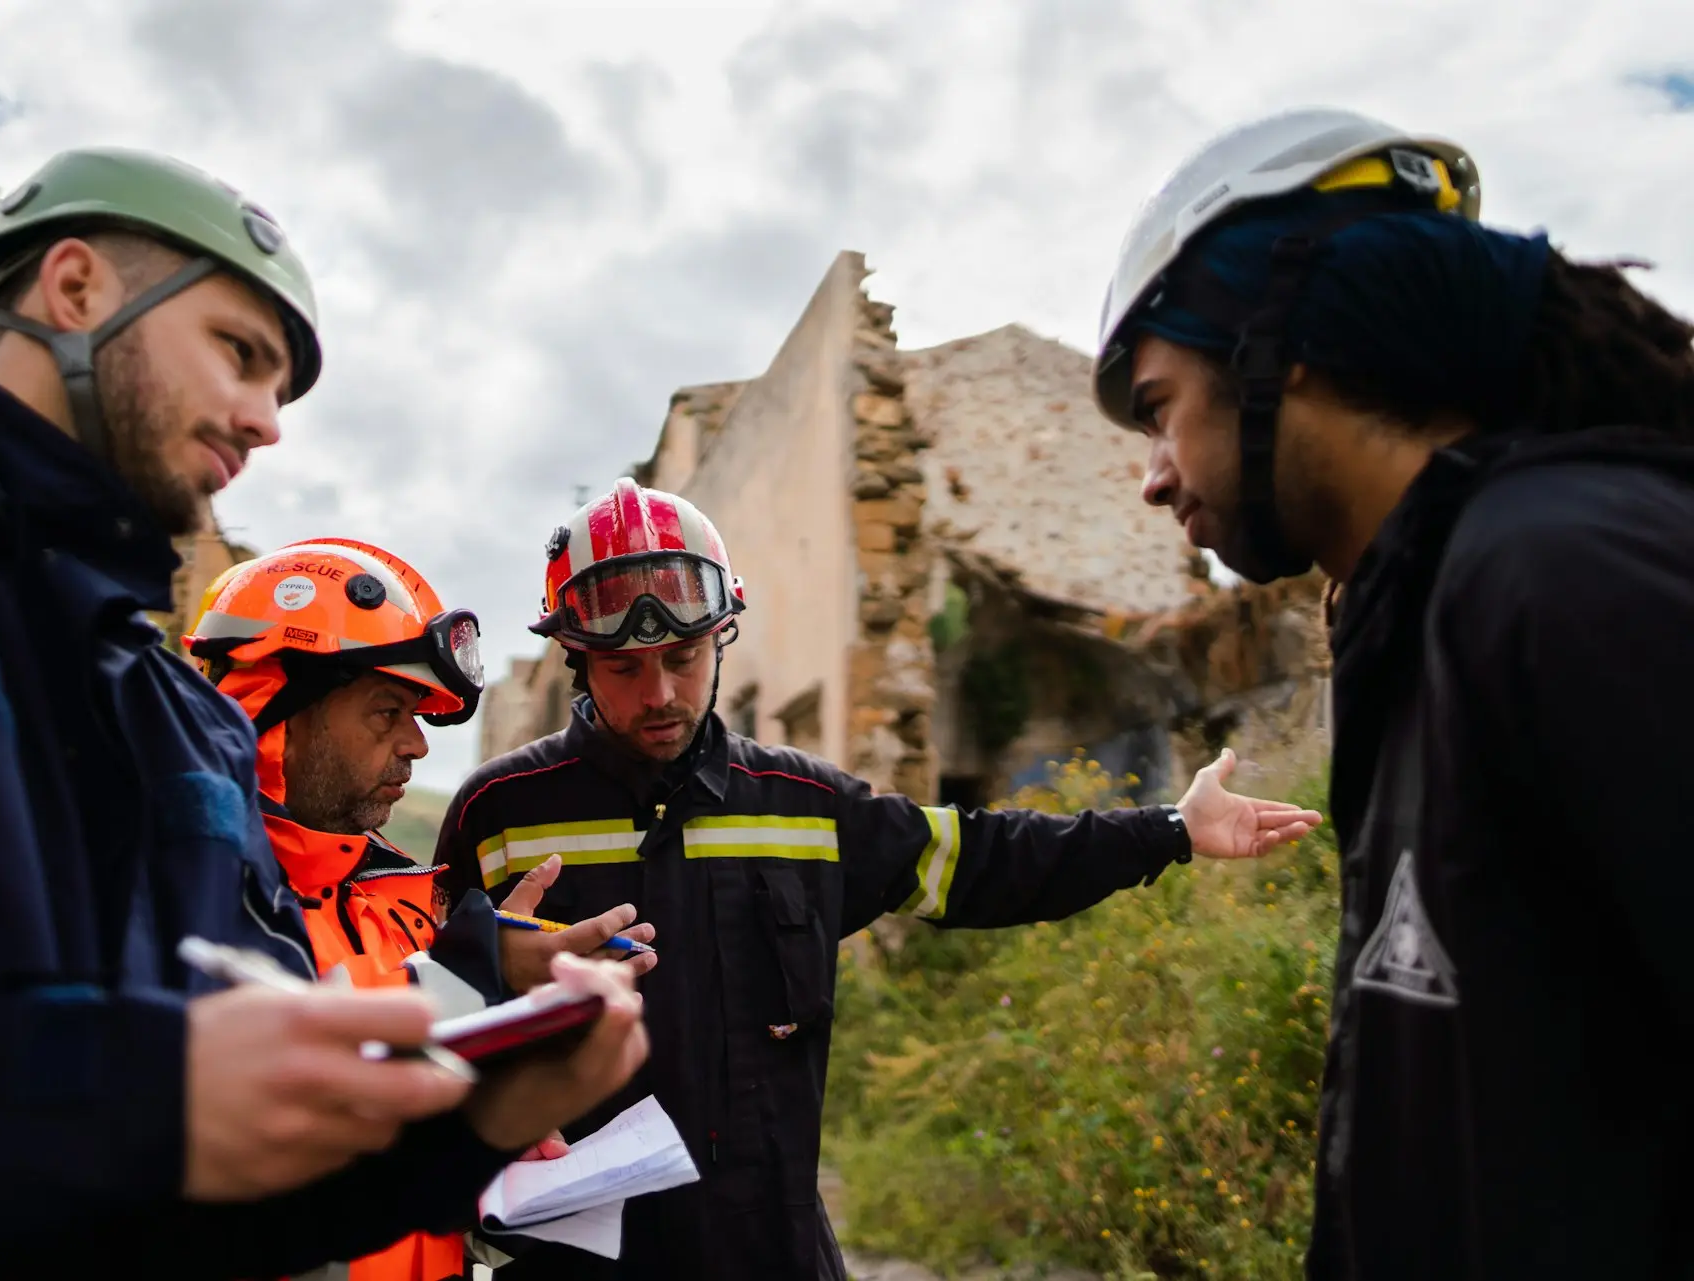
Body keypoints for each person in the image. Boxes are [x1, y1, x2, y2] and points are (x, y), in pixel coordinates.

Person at [0, 146, 646, 1280]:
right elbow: (146, 1109)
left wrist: (477, 1121)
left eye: (279, 389)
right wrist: (128, 1093)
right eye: (241, 354)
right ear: (75, 288)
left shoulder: (185, 730)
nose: (266, 421)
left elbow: (224, 1194)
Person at [434, 477, 1322, 1279]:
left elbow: (986, 858)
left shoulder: (803, 805)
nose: (660, 693)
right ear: (576, 659)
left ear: (722, 637)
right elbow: (406, 1010)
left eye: (686, 658)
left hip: (774, 1255)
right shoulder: (498, 814)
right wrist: (487, 1038)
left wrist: (1169, 828)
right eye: (625, 668)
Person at [1090, 107, 1694, 1278]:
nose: (1154, 479)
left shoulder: (1560, 576)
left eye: (1161, 407)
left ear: (1284, 347)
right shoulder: (1433, 603)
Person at [189, 535, 544, 1281]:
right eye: (388, 711)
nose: (417, 744)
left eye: (416, 714)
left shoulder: (408, 909)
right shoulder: (184, 905)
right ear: (274, 711)